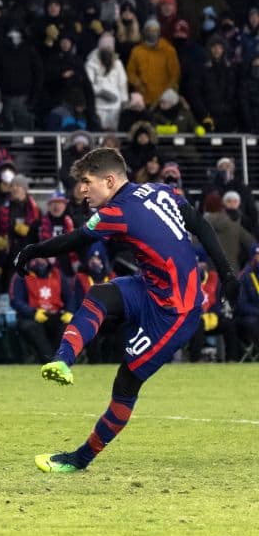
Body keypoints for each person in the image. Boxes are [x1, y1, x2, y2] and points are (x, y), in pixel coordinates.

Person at [14, 147, 238, 473]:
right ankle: (62, 360)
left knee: (126, 382)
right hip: (149, 286)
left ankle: (79, 460)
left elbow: (75, 239)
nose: (82, 190)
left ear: (109, 180)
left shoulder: (116, 212)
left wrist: (32, 250)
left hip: (175, 312)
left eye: (87, 182)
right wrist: (228, 274)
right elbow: (200, 226)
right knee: (99, 294)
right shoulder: (161, 191)